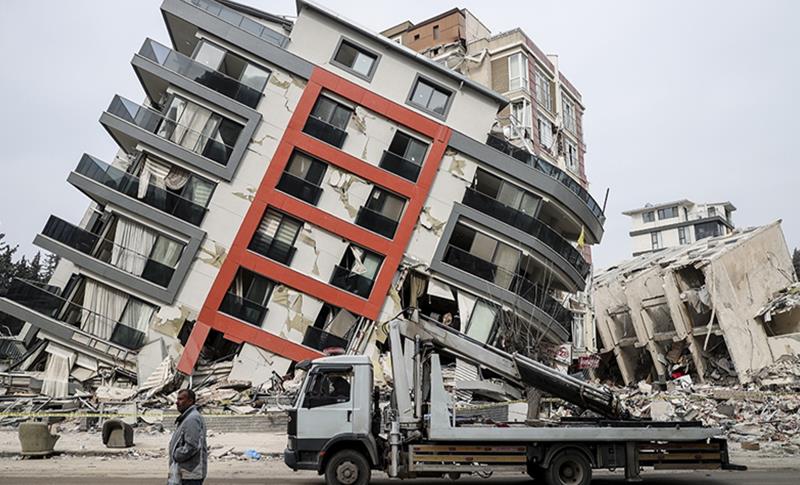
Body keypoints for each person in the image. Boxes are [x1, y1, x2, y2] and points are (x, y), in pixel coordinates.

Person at [168, 389, 208, 485]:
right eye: (177, 399)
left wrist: (176, 455)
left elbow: (192, 446)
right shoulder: (187, 417)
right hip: (184, 472)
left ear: (190, 401)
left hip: (190, 474)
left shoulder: (192, 419)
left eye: (181, 399)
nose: (177, 402)